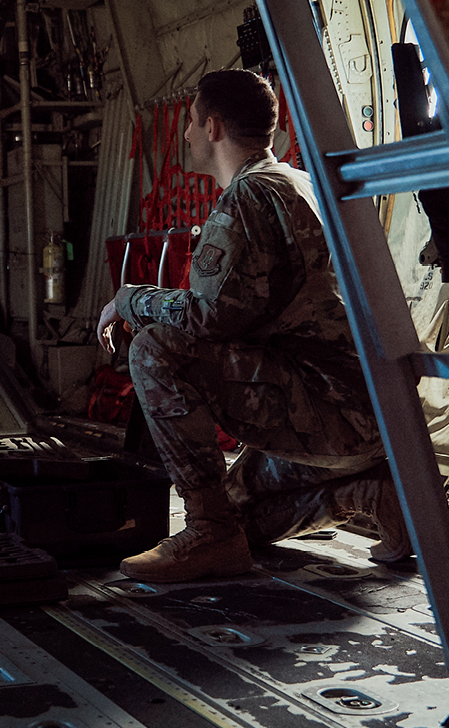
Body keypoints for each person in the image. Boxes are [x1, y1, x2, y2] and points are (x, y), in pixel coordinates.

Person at [96, 69, 410, 583]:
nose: (187, 134)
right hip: (377, 415)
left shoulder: (248, 198)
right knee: (239, 512)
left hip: (329, 411)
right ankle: (369, 494)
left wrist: (129, 300)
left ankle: (208, 532)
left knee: (156, 349)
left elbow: (210, 317)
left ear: (213, 126)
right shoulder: (301, 183)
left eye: (191, 122)